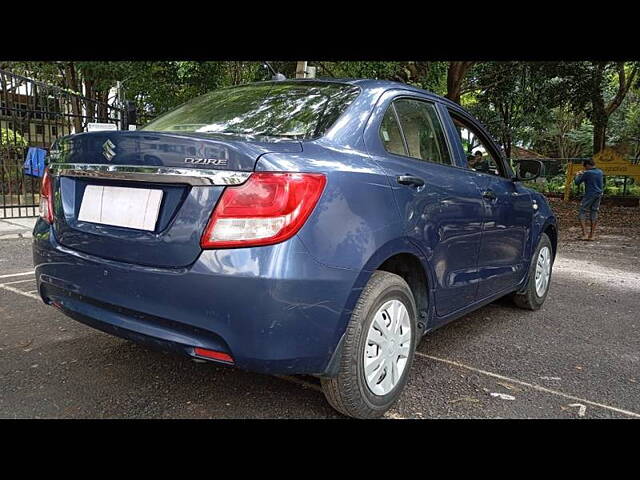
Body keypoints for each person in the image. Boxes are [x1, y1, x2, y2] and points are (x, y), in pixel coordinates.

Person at [574, 158, 604, 241]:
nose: (584, 168)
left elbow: (577, 182)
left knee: (582, 211)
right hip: (599, 194)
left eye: (584, 166)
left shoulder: (588, 173)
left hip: (590, 194)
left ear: (587, 165)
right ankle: (592, 235)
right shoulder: (600, 172)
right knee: (594, 212)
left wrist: (577, 174)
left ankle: (584, 234)